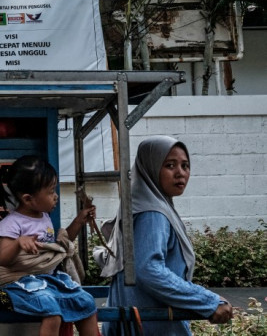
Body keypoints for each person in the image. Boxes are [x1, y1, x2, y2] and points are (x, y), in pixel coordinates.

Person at [97, 136, 234, 335]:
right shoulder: (152, 213)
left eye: (185, 165)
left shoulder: (143, 204)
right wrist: (208, 301)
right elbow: (149, 270)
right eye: (170, 165)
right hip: (153, 326)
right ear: (151, 167)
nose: (180, 173)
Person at [0, 155, 98, 336]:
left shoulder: (44, 217)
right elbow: (4, 259)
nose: (55, 196)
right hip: (20, 282)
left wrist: (79, 220)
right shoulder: (12, 223)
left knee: (86, 302)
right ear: (28, 199)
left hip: (48, 281)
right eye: (50, 191)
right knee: (52, 311)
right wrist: (18, 243)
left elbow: (59, 247)